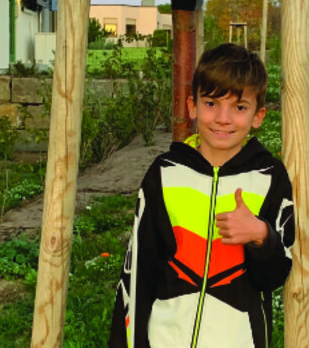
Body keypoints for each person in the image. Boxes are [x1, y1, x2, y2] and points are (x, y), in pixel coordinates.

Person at [109, 42, 295, 348]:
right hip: (164, 338)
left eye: (239, 107)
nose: (223, 118)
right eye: (211, 103)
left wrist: (261, 235)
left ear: (258, 115)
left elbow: (274, 276)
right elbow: (139, 268)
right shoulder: (164, 172)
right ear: (192, 106)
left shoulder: (269, 177)